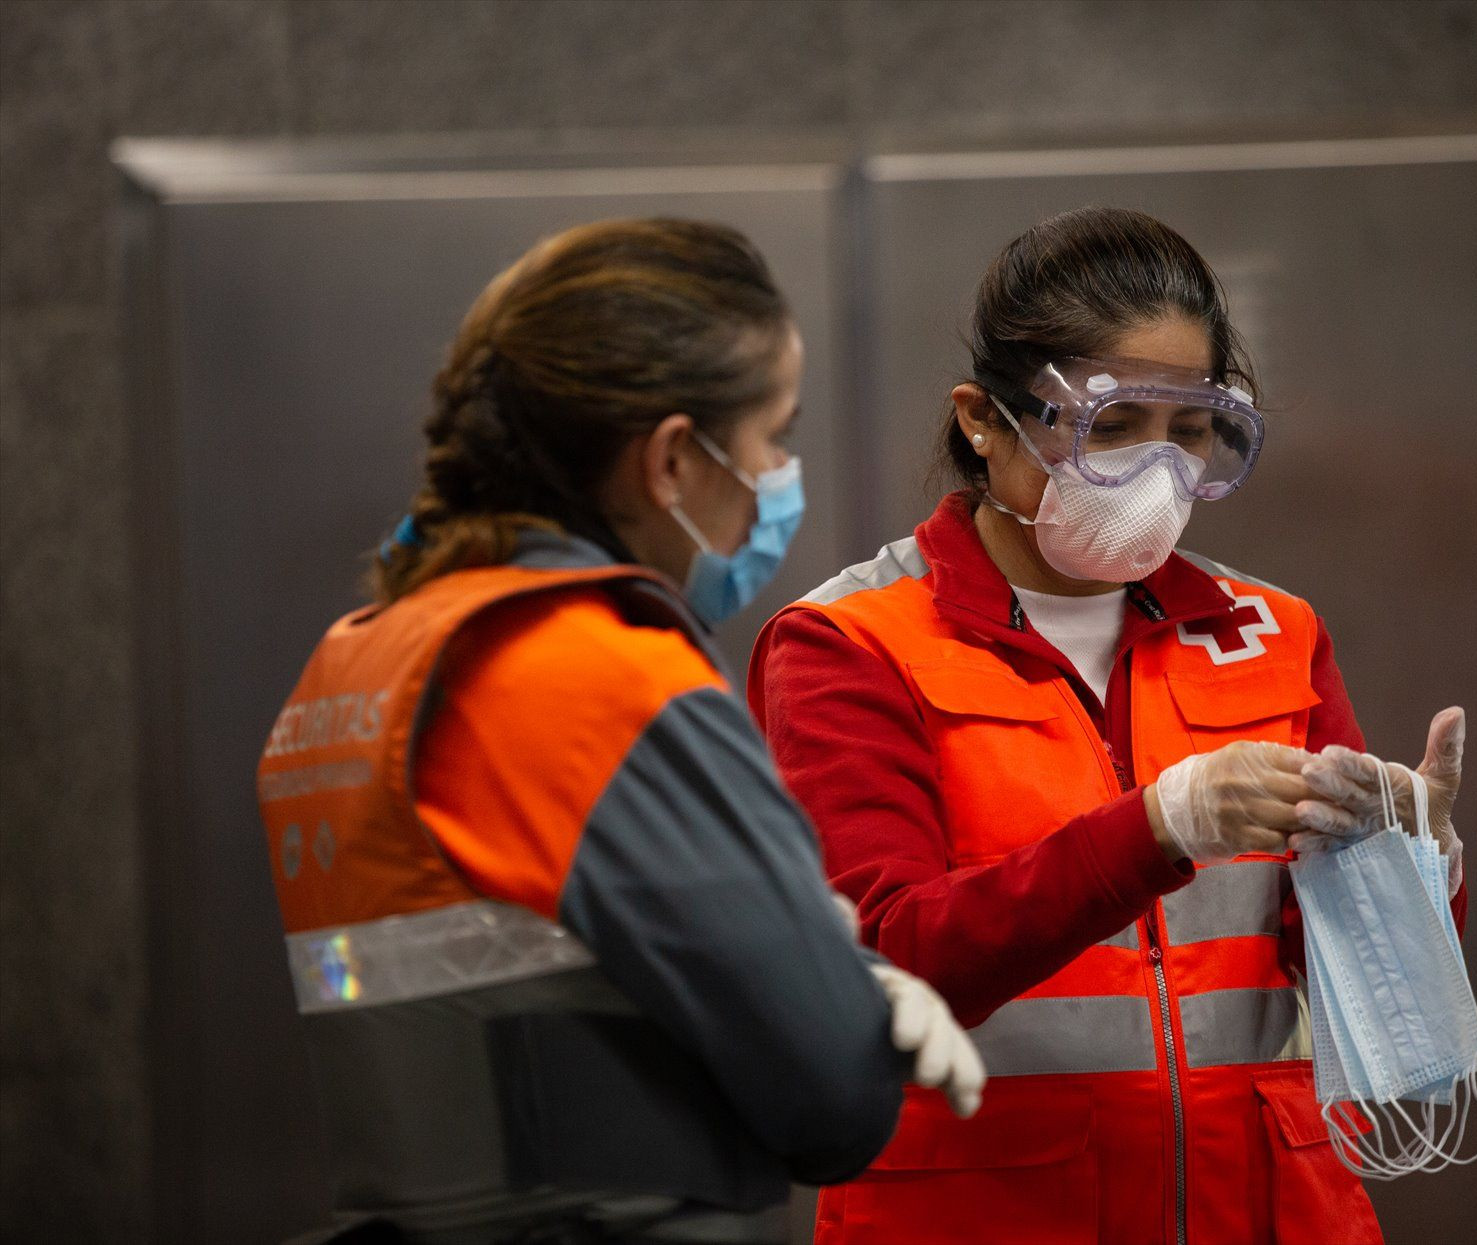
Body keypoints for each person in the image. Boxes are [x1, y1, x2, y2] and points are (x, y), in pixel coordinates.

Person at [255, 219, 983, 1245]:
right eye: (772, 436)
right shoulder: (598, 676)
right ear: (674, 462)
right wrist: (839, 1001)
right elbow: (831, 1104)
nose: (779, 474)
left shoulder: (363, 662)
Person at [750, 207, 1469, 1245]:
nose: (1158, 472)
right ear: (982, 419)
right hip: (990, 1209)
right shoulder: (851, 643)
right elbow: (884, 957)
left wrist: (1410, 865)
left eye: (1190, 433)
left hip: (1262, 1208)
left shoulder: (1271, 630)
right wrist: (1156, 829)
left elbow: (1363, 991)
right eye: (1113, 428)